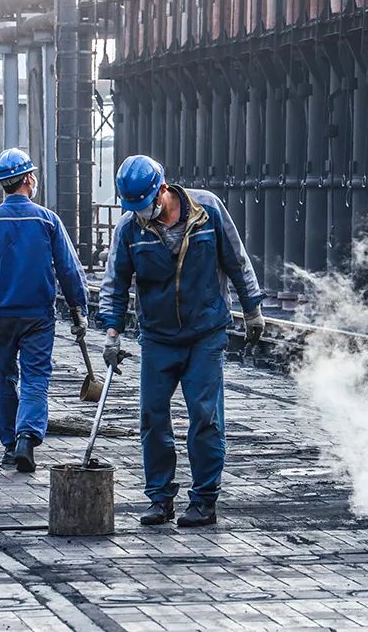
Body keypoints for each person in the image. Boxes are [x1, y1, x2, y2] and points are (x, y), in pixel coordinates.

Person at [98, 155, 265, 527]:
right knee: (152, 417)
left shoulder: (207, 210)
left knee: (205, 417)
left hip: (205, 334)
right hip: (157, 338)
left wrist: (252, 308)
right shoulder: (129, 228)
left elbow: (236, 258)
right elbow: (115, 282)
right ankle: (160, 499)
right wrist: (111, 334)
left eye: (145, 205)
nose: (142, 214)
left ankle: (204, 500)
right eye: (135, 209)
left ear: (162, 190)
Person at [0, 148, 88, 473]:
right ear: (29, 179)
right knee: (35, 378)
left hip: (0, 316)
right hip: (38, 318)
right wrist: (79, 309)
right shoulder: (47, 220)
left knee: (4, 379)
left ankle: (9, 447)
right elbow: (68, 271)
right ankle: (26, 438)